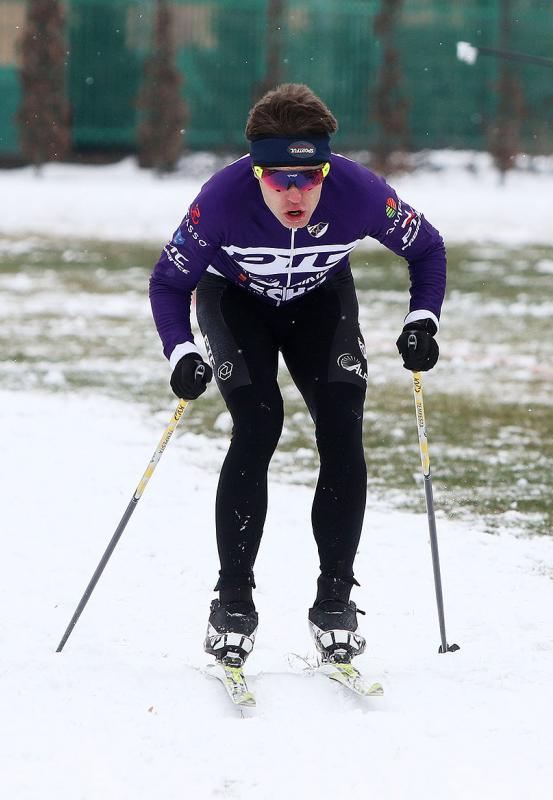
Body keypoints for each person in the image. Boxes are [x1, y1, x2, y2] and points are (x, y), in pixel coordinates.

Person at [149, 83, 446, 667]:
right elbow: (169, 282)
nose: (295, 192)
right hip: (236, 301)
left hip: (320, 301)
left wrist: (422, 319)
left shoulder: (359, 192)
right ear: (255, 173)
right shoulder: (221, 199)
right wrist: (180, 351)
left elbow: (427, 248)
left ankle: (335, 599)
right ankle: (232, 601)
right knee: (258, 427)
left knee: (342, 428)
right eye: (279, 178)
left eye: (309, 178)